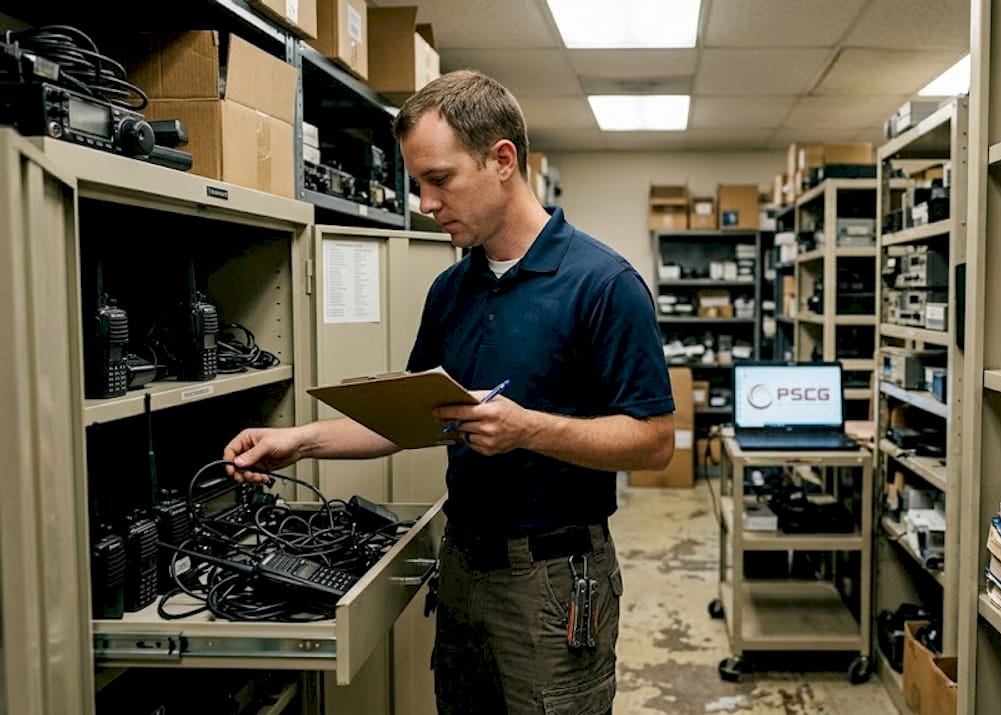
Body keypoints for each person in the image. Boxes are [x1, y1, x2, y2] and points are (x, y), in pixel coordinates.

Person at [222, 69, 675, 714]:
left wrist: (529, 430)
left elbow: (655, 442)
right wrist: (300, 441)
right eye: (418, 185)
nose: (427, 203)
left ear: (502, 160)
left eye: (440, 180)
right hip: (462, 564)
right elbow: (412, 419)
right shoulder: (451, 290)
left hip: (553, 579)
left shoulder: (603, 285)